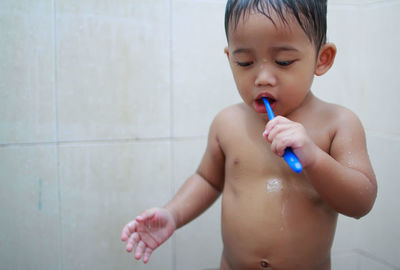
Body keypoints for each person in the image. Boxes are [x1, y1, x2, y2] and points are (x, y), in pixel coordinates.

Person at [121, 0, 377, 269]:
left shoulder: (337, 124)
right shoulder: (227, 123)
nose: (262, 77)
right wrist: (173, 214)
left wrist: (314, 158)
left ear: (322, 59)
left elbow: (361, 201)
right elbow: (207, 180)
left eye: (283, 61)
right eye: (244, 62)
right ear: (229, 57)